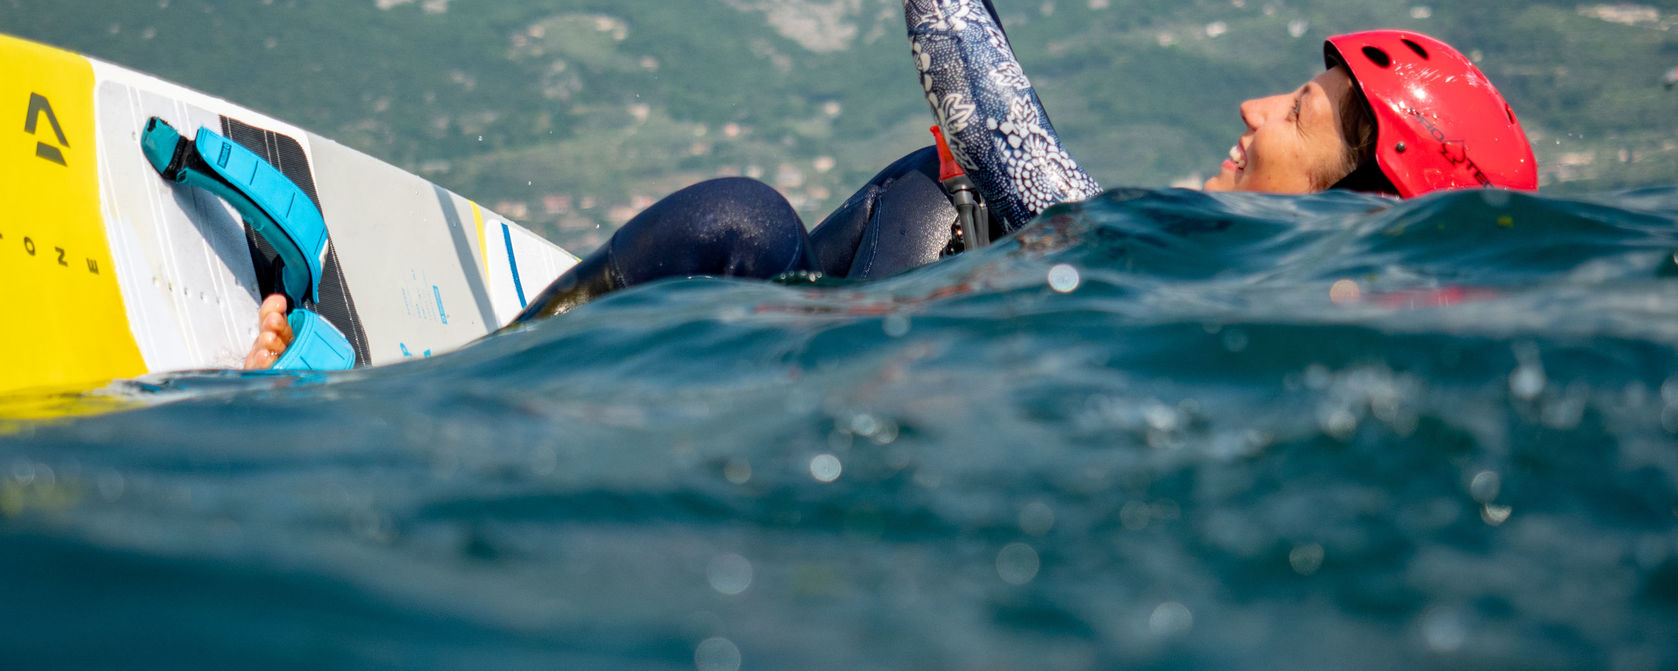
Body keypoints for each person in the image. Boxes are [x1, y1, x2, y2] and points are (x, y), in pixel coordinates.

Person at [244, 0, 1538, 370]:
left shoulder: (1190, 298)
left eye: (1301, 113)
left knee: (939, 207)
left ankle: (380, 407)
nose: (1256, 107)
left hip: (822, 460)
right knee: (745, 216)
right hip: (780, 380)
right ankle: (454, 385)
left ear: (1358, 198)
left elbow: (994, 124)